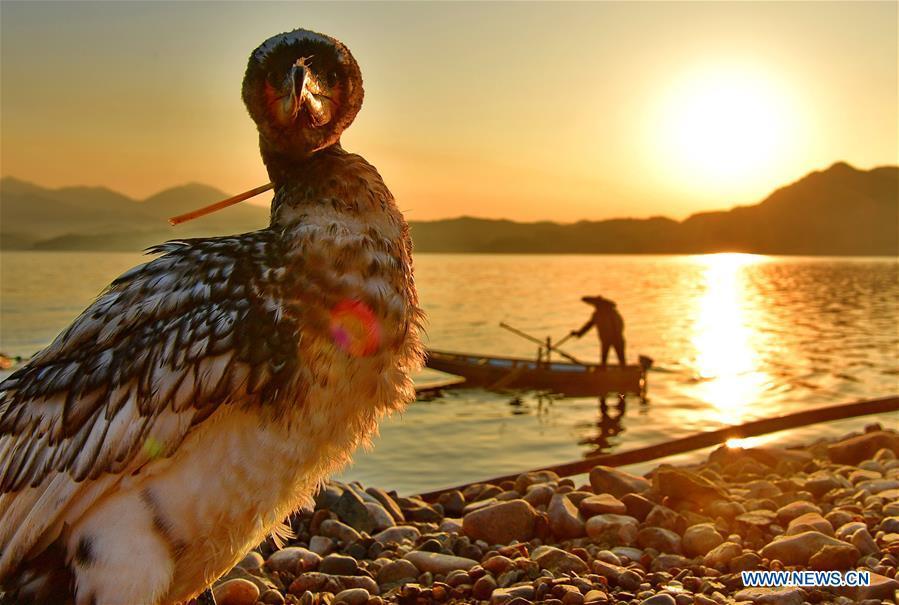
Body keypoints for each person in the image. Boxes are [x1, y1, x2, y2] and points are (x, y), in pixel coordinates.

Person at [570, 295, 626, 368]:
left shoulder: (612, 313)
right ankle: (602, 373)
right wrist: (578, 333)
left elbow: (619, 326)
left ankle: (624, 373)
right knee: (604, 359)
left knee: (621, 358)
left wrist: (615, 336)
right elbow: (589, 325)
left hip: (617, 339)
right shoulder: (597, 314)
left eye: (597, 305)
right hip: (606, 340)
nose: (596, 307)